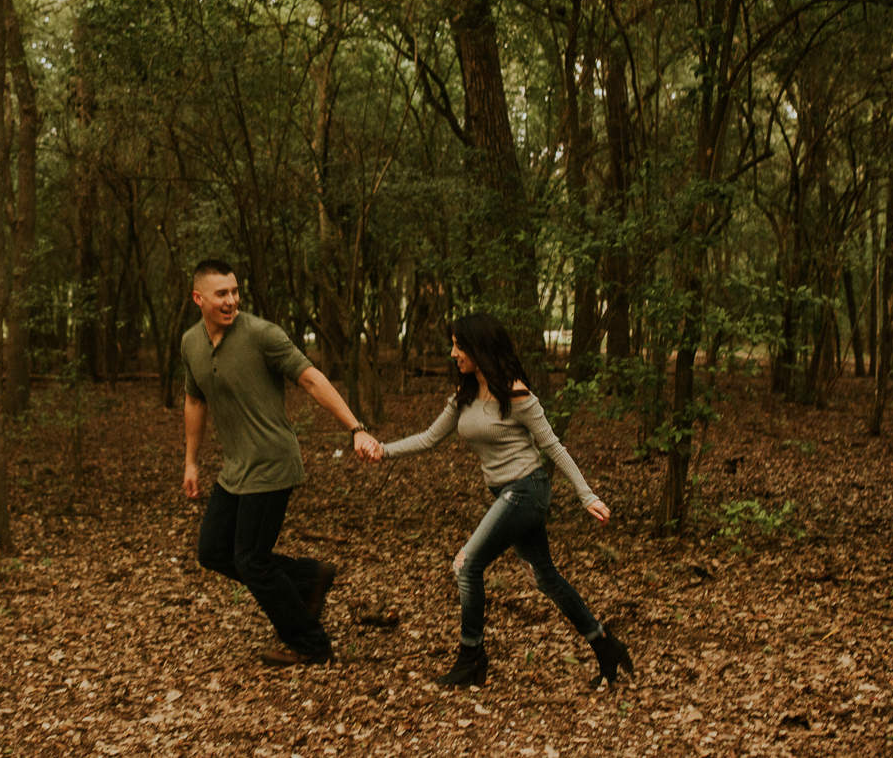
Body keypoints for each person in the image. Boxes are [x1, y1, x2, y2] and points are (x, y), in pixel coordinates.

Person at [359, 312, 633, 688]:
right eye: (452, 344)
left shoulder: (516, 393)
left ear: (479, 347)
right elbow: (428, 438)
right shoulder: (465, 395)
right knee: (545, 578)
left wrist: (586, 494)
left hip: (526, 489)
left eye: (459, 345)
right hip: (507, 493)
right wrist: (382, 450)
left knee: (465, 565)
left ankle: (471, 657)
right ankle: (605, 644)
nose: (453, 353)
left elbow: (552, 444)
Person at [181, 258, 381, 667]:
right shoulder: (190, 343)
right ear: (198, 298)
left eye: (235, 291)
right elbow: (194, 400)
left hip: (272, 462)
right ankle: (308, 578)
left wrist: (356, 427)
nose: (231, 300)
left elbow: (310, 379)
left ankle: (310, 643)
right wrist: (191, 462)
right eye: (222, 294)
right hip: (236, 467)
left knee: (251, 560)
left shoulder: (261, 334)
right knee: (213, 551)